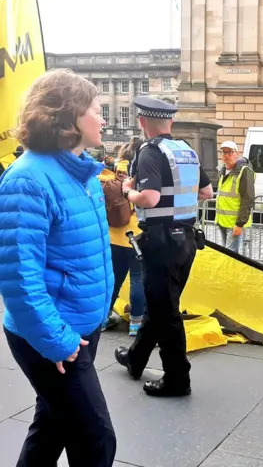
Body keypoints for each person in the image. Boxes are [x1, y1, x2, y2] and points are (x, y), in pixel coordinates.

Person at [0, 69, 116, 466]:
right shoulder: (28, 180)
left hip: (80, 325)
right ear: (67, 116)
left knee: (51, 427)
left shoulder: (83, 174)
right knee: (95, 440)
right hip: (53, 335)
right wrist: (58, 341)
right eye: (96, 109)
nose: (103, 119)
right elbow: (18, 279)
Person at [114, 96, 213, 397]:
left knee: (165, 311)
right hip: (186, 240)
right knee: (161, 305)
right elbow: (206, 192)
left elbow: (151, 198)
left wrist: (127, 191)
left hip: (161, 243)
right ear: (170, 122)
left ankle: (177, 379)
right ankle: (136, 357)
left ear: (143, 122)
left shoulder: (149, 152)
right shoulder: (186, 151)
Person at [99, 139, 145, 335]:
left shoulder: (114, 170)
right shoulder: (140, 172)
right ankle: (136, 323)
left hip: (113, 235)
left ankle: (103, 318)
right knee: (137, 278)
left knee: (114, 278)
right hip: (135, 234)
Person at [215, 140, 256, 253]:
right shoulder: (222, 170)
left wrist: (239, 224)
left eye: (230, 152)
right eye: (223, 152)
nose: (226, 155)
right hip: (222, 221)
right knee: (227, 253)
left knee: (230, 255)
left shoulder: (244, 171)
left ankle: (230, 271)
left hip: (234, 223)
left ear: (237, 153)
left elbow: (248, 199)